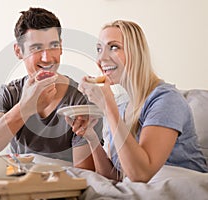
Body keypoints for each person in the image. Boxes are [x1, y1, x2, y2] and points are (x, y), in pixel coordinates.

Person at [68, 20, 208, 182]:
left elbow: (141, 174)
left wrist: (108, 106)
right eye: (99, 50)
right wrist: (91, 136)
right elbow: (114, 177)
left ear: (136, 52)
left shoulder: (166, 99)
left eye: (113, 47)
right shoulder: (121, 107)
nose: (101, 58)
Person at [0, 7, 102, 170]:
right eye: (36, 48)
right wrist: (26, 107)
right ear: (18, 51)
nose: (47, 58)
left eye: (53, 45)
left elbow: (84, 174)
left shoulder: (81, 100)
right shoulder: (8, 95)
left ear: (61, 47)